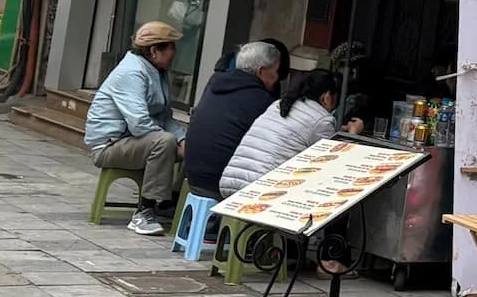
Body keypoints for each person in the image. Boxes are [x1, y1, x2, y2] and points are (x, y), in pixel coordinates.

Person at [84, 21, 185, 236]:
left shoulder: (157, 71)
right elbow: (139, 124)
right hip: (111, 144)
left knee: (188, 142)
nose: (174, 53)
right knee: (164, 141)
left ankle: (168, 202)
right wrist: (172, 141)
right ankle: (144, 212)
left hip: (135, 140)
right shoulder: (132, 72)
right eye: (171, 48)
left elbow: (164, 117)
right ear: (154, 51)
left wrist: (183, 140)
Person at [220, 71, 363, 197]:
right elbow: (334, 165)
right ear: (326, 97)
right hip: (262, 191)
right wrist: (353, 135)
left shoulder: (278, 105)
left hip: (230, 182)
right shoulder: (322, 119)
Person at [182, 42, 283, 199]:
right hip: (221, 183)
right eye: (276, 71)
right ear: (261, 71)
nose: (277, 78)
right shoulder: (261, 100)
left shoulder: (215, 85)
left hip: (193, 176)